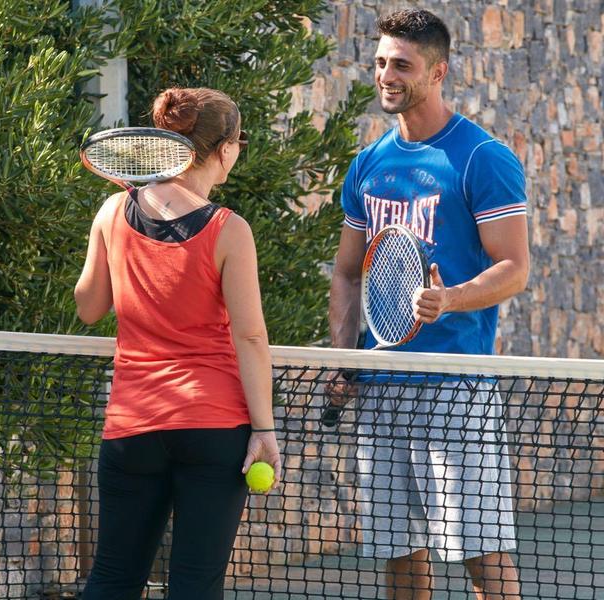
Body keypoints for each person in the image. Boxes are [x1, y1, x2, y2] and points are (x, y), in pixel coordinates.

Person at [328, 9, 529, 600]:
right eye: (381, 62)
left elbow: (515, 269)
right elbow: (345, 273)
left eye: (402, 65)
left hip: (455, 390)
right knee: (399, 556)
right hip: (382, 385)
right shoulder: (368, 164)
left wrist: (452, 298)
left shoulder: (481, 158)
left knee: (480, 553)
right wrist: (347, 360)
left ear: (438, 71)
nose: (387, 75)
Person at [74, 87, 282, 600]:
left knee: (112, 580)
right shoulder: (229, 230)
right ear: (225, 149)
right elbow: (251, 335)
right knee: (194, 586)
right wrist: (265, 429)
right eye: (239, 141)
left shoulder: (110, 211)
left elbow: (88, 306)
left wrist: (108, 233)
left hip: (132, 428)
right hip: (213, 427)